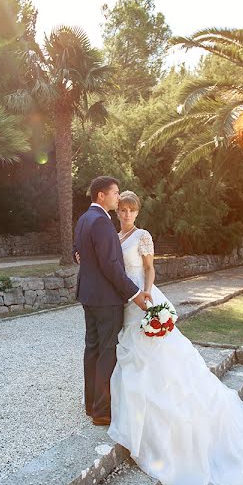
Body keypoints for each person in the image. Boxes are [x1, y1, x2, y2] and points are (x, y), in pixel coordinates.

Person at [107, 190, 243, 485]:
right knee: (130, 353)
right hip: (124, 300)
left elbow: (149, 268)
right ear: (117, 211)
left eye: (131, 211)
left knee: (159, 356)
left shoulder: (142, 235)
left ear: (137, 212)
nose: (127, 215)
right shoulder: (115, 236)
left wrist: (147, 295)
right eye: (122, 210)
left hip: (143, 299)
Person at [73, 176, 151, 426]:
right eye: (115, 193)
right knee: (107, 351)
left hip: (88, 296)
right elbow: (110, 265)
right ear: (101, 196)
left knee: (92, 348)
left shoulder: (84, 219)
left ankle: (90, 404)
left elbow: (80, 253)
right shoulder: (103, 223)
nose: (118, 197)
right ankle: (102, 411)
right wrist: (135, 293)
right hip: (106, 299)